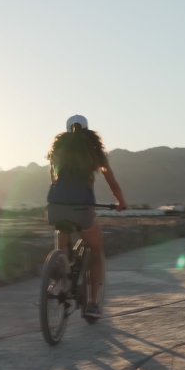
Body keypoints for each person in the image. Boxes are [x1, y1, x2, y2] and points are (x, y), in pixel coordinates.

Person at [46, 115, 127, 318]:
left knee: (62, 234)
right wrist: (121, 202)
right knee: (97, 249)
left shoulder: (58, 151)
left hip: (56, 206)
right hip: (83, 209)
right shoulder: (94, 152)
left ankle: (58, 274)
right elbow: (112, 182)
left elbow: (54, 176)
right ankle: (92, 304)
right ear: (87, 129)